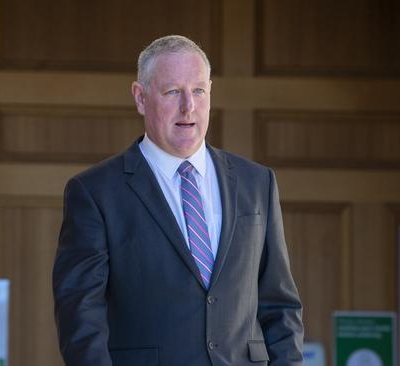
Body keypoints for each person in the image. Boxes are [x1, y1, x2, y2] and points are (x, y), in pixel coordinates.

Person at [53, 35, 303, 366]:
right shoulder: (95, 192)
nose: (189, 106)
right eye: (172, 92)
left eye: (198, 90)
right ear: (140, 98)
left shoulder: (256, 183)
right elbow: (81, 318)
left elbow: (280, 305)